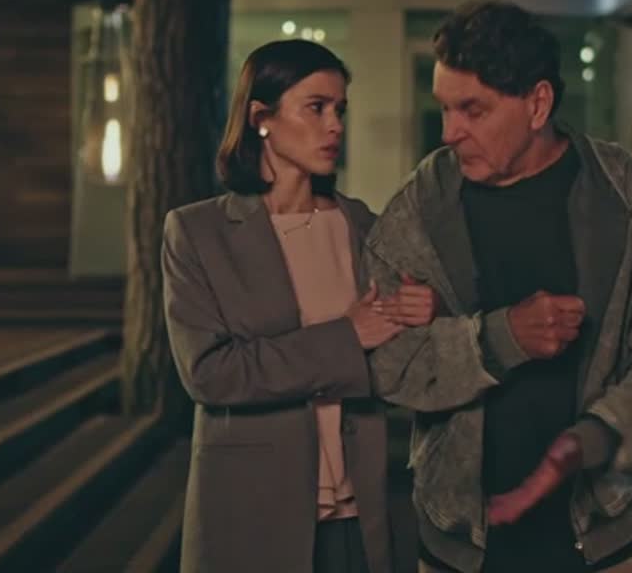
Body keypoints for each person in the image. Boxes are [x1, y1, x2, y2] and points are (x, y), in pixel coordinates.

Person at [364, 1, 632, 572]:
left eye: (472, 110)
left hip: (609, 536)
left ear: (538, 103)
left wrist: (598, 437)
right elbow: (387, 361)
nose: (449, 132)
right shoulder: (419, 211)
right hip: (462, 547)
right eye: (445, 107)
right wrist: (500, 339)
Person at [162, 39, 435, 573]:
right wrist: (346, 337)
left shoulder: (362, 225)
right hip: (253, 513)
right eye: (316, 107)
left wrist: (420, 311)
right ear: (261, 118)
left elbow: (397, 359)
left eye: (340, 110)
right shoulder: (198, 232)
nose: (335, 126)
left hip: (358, 512)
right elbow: (211, 374)